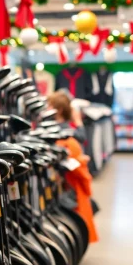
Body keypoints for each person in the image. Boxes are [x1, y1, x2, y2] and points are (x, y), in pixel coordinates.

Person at [47, 90, 99, 243]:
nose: (47, 108)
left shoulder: (61, 131)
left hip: (66, 181)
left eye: (50, 105)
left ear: (59, 109)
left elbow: (79, 140)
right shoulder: (65, 129)